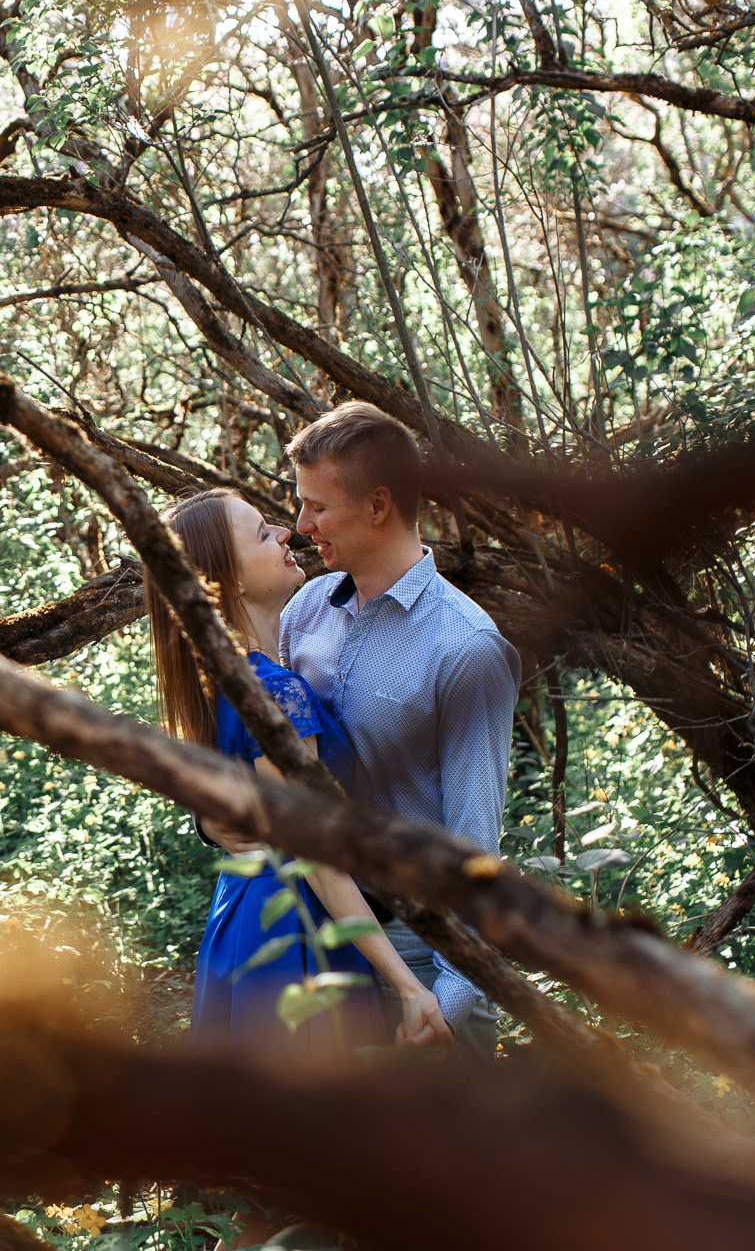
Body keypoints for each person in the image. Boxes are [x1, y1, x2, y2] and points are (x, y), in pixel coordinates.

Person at [146, 489, 453, 1057]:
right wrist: (409, 987)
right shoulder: (275, 693)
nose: (286, 532)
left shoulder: (224, 679)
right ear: (227, 582)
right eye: (263, 533)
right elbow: (319, 855)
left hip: (241, 914)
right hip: (297, 931)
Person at [277, 402, 521, 1057]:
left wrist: (445, 1004)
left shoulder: (468, 647)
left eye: (316, 507)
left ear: (379, 505)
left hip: (422, 959)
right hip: (316, 939)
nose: (301, 528)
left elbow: (476, 846)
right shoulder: (304, 611)